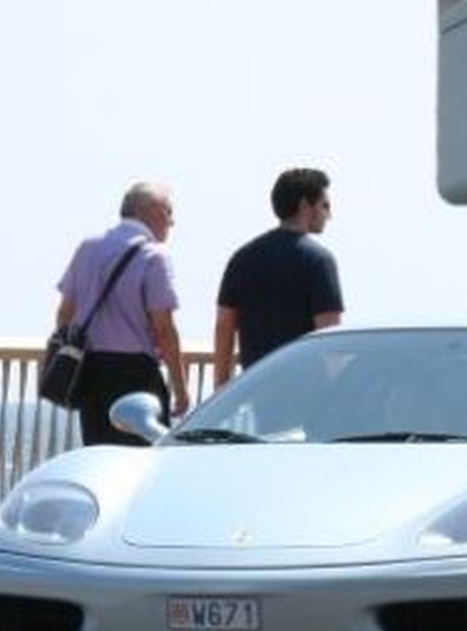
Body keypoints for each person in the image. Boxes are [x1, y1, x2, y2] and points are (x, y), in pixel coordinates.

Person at [53, 181, 193, 443]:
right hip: (135, 374)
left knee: (99, 456)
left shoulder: (88, 248)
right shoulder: (154, 256)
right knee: (144, 459)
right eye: (169, 212)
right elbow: (164, 328)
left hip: (91, 372)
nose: (172, 222)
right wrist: (181, 389)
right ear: (153, 211)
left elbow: (64, 314)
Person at [212, 167, 344, 386]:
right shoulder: (319, 261)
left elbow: (224, 325)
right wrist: (338, 389)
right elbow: (329, 335)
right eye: (324, 205)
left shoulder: (242, 258)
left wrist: (221, 385)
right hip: (306, 387)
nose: (329, 215)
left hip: (258, 385)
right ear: (304, 205)